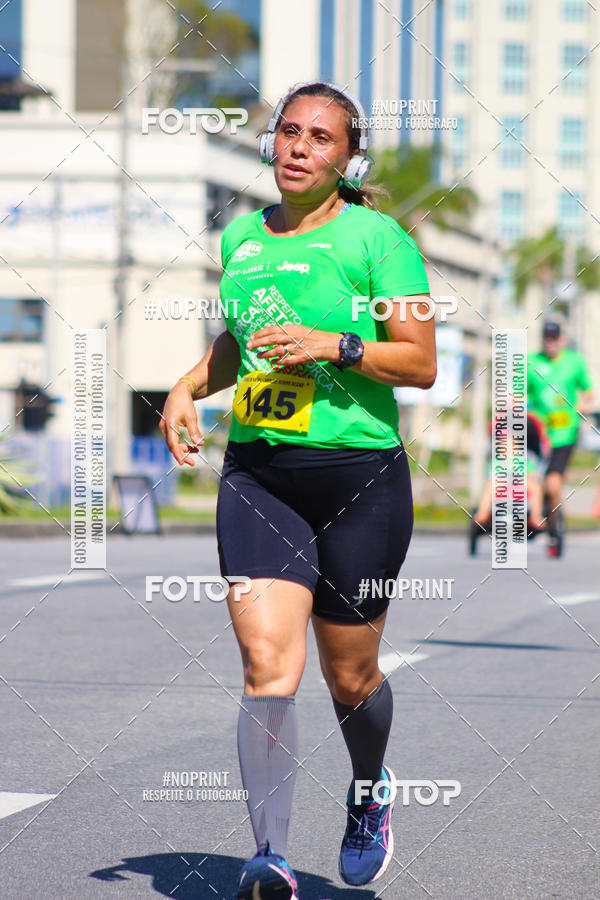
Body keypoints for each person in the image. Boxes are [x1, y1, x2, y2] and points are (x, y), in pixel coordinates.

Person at [160, 80, 436, 899]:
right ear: (269, 142)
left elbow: (418, 362)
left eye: (320, 137)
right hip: (261, 475)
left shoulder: (379, 240)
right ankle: (268, 856)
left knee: (349, 676)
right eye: (288, 132)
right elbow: (240, 340)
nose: (299, 147)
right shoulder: (243, 237)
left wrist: (337, 344)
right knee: (265, 665)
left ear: (349, 157)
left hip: (359, 478)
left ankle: (368, 792)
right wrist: (186, 385)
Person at [527, 320, 594, 532]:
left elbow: (588, 390)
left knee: (553, 484)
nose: (550, 343)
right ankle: (534, 515)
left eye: (554, 339)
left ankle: (554, 524)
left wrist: (585, 402)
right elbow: (519, 392)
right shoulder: (531, 362)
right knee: (531, 479)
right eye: (547, 339)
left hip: (564, 434)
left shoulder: (575, 362)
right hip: (538, 433)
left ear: (562, 340)